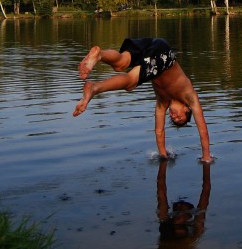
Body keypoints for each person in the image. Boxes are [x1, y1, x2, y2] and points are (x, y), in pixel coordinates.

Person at [73, 37, 214, 163]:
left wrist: (163, 155)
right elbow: (203, 131)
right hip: (164, 55)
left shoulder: (162, 103)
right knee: (131, 82)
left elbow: (159, 131)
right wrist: (206, 156)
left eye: (173, 119)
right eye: (180, 117)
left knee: (121, 63)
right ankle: (95, 88)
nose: (174, 116)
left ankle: (100, 55)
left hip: (152, 43)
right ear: (186, 109)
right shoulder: (189, 96)